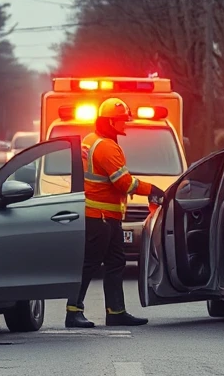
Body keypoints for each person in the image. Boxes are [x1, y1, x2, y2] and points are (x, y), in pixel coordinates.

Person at [65, 97, 165, 329]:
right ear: (110, 122)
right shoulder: (107, 147)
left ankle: (116, 312)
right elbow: (124, 183)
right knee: (90, 264)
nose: (126, 124)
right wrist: (152, 190)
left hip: (104, 217)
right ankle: (73, 312)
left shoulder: (92, 140)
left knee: (114, 263)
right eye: (121, 120)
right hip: (100, 217)